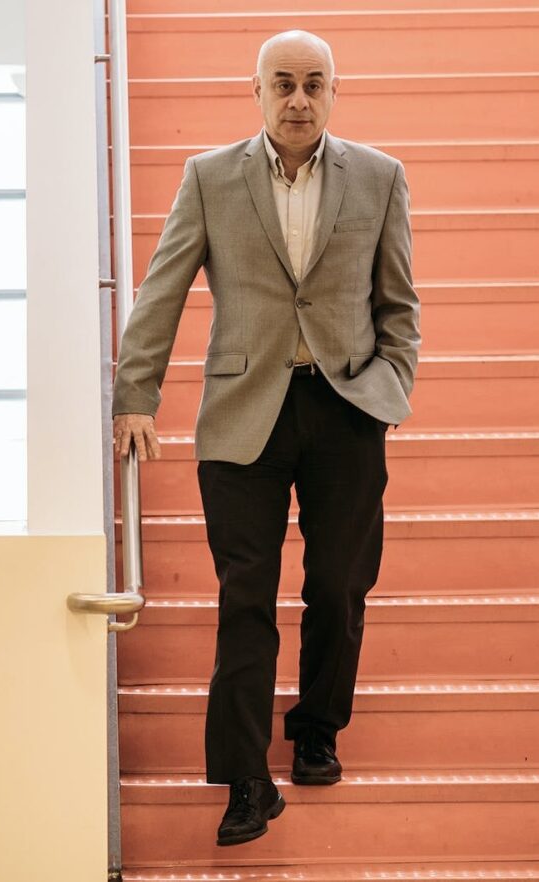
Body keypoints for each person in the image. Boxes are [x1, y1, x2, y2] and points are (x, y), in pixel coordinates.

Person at [110, 30, 420, 848]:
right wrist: (135, 392)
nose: (298, 100)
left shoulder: (380, 177)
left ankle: (316, 729)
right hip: (243, 415)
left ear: (332, 91)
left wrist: (387, 391)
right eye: (282, 83)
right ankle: (247, 780)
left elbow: (400, 304)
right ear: (255, 90)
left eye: (314, 84)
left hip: (346, 409)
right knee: (244, 599)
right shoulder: (210, 178)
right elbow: (161, 290)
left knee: (340, 587)